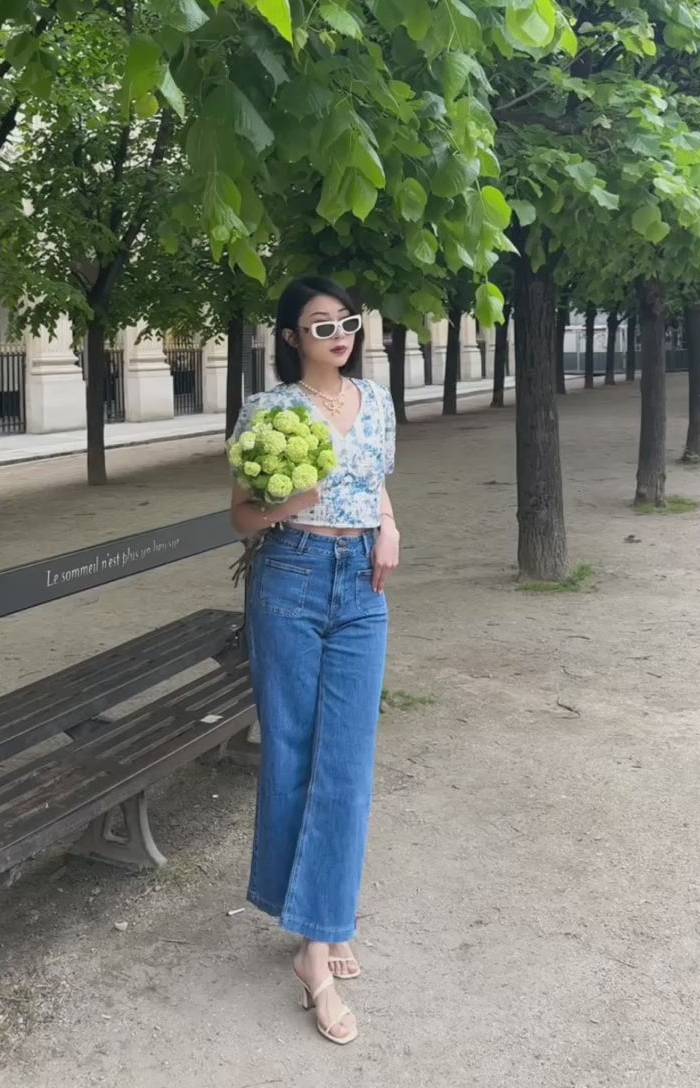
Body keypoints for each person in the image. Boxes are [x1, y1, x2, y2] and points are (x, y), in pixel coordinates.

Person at [229, 276, 400, 1047]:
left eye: (347, 322)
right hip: (291, 579)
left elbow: (376, 483)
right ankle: (317, 950)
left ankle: (321, 925)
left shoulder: (377, 400)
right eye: (321, 325)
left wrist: (389, 525)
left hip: (362, 584)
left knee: (350, 764)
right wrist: (291, 504)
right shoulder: (269, 413)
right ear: (293, 338)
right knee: (294, 756)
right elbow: (240, 517)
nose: (339, 334)